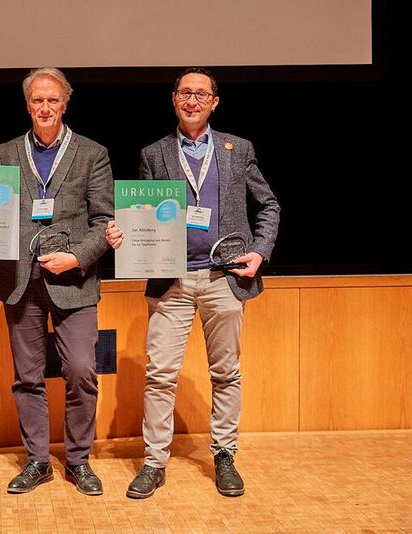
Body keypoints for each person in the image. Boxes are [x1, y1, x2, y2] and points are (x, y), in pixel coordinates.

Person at [107, 67, 280, 498]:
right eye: (185, 93)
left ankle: (224, 455)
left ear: (214, 102)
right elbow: (142, 214)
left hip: (226, 277)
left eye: (201, 94)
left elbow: (269, 204)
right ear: (173, 99)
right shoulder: (154, 152)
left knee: (226, 373)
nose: (193, 100)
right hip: (173, 280)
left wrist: (260, 251)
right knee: (161, 374)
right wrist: (123, 233)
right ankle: (154, 463)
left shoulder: (238, 149)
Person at [0, 67, 113, 496]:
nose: (45, 107)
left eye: (53, 100)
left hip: (74, 281)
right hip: (20, 280)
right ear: (27, 104)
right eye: (38, 100)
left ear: (66, 103)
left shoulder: (93, 153)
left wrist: (76, 256)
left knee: (81, 371)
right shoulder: (5, 153)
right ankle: (37, 461)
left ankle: (78, 460)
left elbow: (104, 220)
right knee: (28, 377)